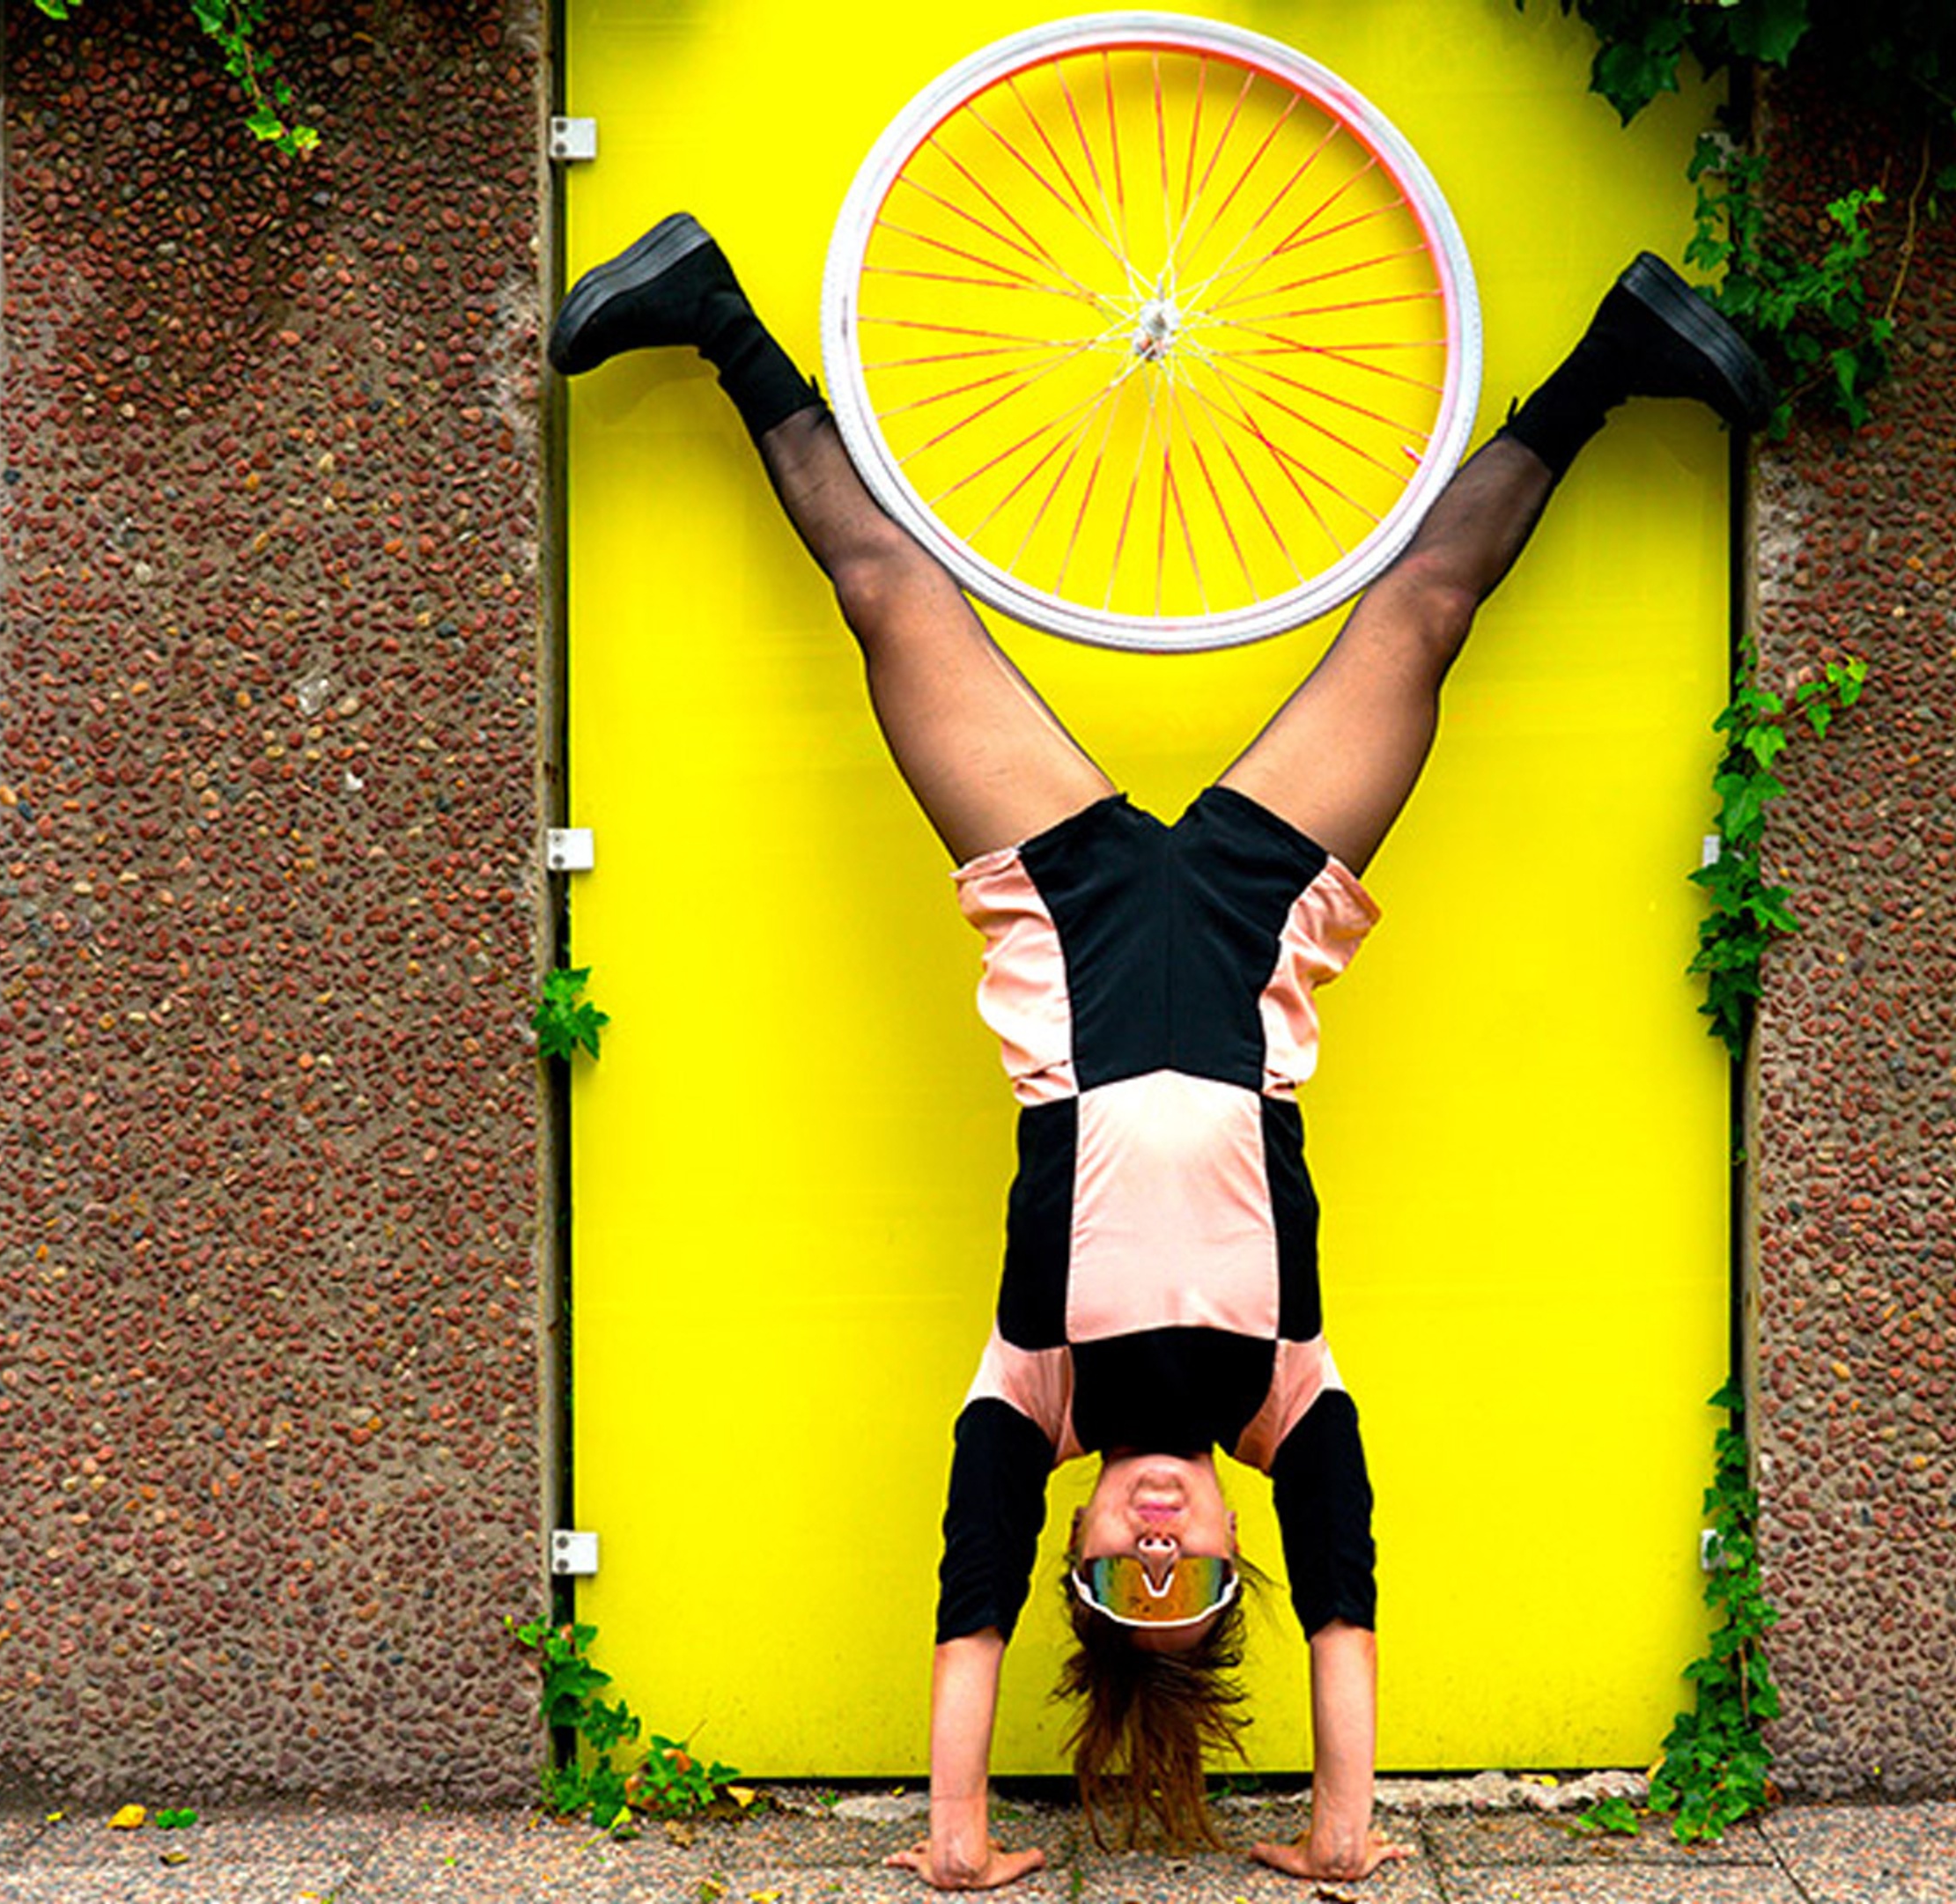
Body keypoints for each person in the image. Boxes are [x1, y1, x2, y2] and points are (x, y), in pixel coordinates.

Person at [547, 210, 1771, 1891]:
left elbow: (964, 1606)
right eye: (1188, 1580)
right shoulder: (1289, 1399)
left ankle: (711, 313)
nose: (1156, 1541)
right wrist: (1341, 1830)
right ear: (1231, 1548)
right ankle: (1620, 354)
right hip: (1265, 920)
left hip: (1070, 910)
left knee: (886, 596)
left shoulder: (1029, 1397)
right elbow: (1344, 1604)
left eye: (1121, 1577)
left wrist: (958, 1838)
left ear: (1071, 1546)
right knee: (1423, 613)